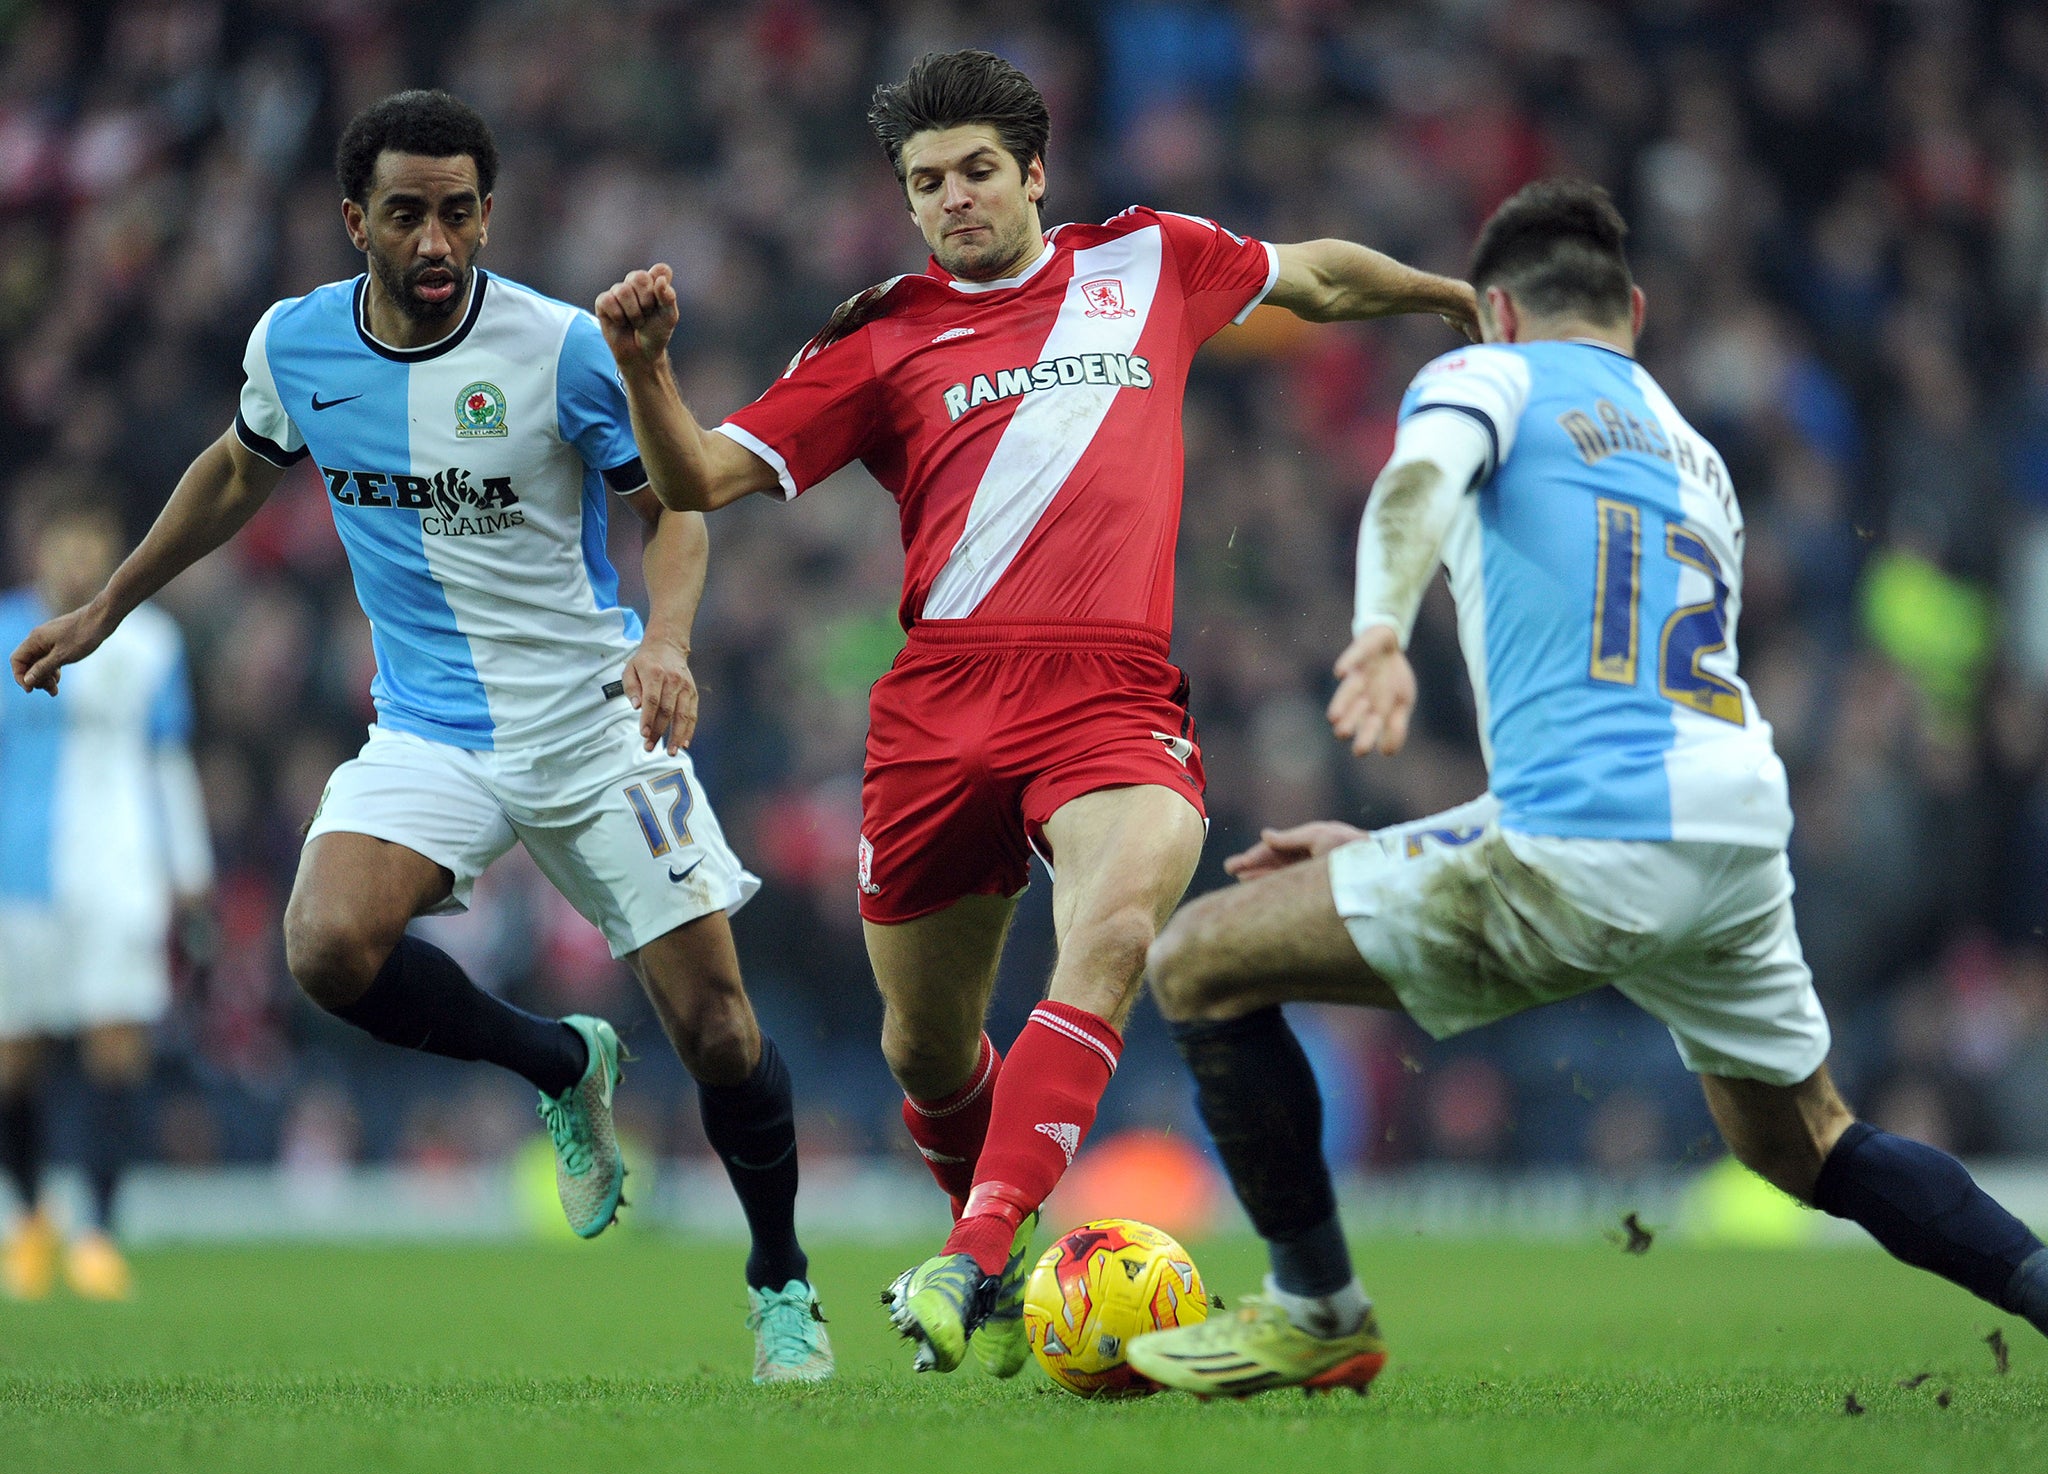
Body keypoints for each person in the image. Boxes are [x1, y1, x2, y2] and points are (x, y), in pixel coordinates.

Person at [593, 48, 1479, 1376]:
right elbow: (705, 478)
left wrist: (1450, 295)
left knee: (1116, 933)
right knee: (929, 1043)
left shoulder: (1150, 262)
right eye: (925, 181)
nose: (951, 199)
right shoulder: (880, 333)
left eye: (975, 172)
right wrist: (648, 370)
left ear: (1034, 174)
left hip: (1110, 693)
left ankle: (974, 1252)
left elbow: (1322, 275)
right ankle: (989, 1251)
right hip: (938, 707)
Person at [1127, 178, 2048, 1398]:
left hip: (1591, 836)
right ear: (1635, 308)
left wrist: (1379, 631)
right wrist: (1400, 847)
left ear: (1494, 310)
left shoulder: (1488, 378)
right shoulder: (1693, 458)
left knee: (1194, 958)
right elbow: (1616, 717)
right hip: (1729, 832)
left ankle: (1316, 1309)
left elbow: (1413, 485)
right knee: (1805, 1142)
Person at [9, 90, 833, 1383]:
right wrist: (111, 604)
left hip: (594, 721)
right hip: (433, 730)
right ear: (357, 222)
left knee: (721, 1031)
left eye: (459, 211)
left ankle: (782, 1280)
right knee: (327, 946)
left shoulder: (559, 349)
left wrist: (666, 644)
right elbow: (238, 466)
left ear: (487, 213)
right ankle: (562, 1063)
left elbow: (679, 502)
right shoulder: (296, 346)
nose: (437, 238)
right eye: (407, 214)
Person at [0, 483, 212, 1301]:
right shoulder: (6, 632)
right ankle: (26, 1221)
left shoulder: (150, 642)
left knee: (114, 1047)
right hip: (16, 876)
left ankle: (97, 1231)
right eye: (66, 543)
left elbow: (168, 761)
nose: (80, 560)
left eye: (95, 544)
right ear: (37, 547)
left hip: (121, 872)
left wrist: (188, 876)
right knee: (13, 1059)